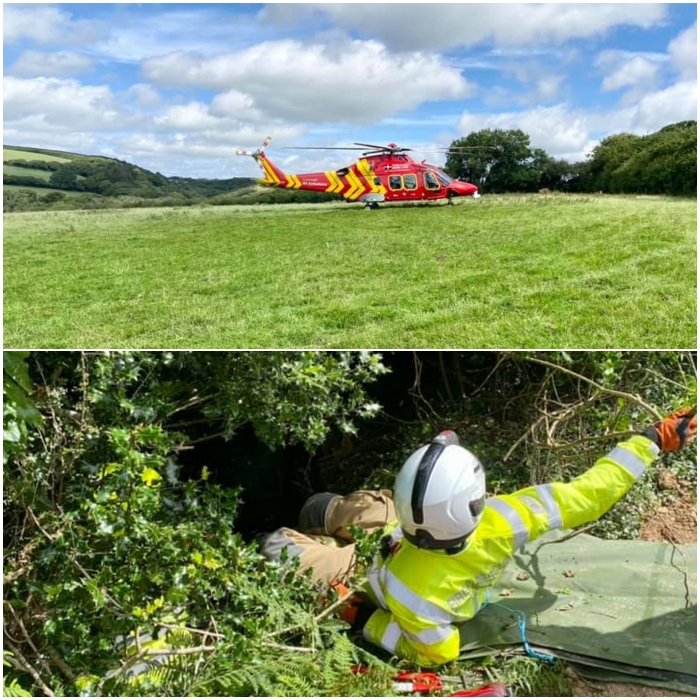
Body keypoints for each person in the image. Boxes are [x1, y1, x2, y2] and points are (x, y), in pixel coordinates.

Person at [260, 408, 696, 666]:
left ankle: (316, 523)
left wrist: (364, 618)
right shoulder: (508, 518)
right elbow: (590, 494)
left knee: (278, 544)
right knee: (335, 510)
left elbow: (436, 655)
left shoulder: (415, 597)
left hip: (367, 573)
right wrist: (652, 440)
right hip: (396, 536)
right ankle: (324, 516)